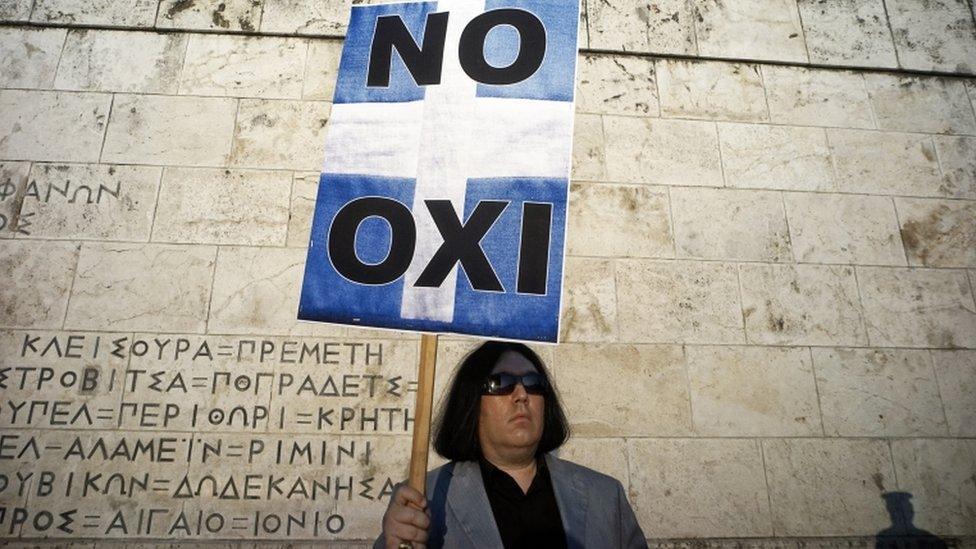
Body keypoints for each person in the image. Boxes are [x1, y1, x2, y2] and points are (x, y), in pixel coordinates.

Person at [375, 340, 647, 549]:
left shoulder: (606, 496)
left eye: (533, 382)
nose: (521, 394)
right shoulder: (425, 499)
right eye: (501, 383)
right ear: (471, 403)